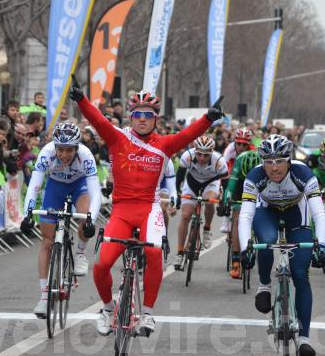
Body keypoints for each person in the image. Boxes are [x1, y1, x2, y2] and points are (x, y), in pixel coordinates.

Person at [70, 80, 221, 335]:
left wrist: (208, 118)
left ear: (155, 119)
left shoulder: (164, 144)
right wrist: (81, 99)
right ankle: (108, 308)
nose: (142, 119)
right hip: (121, 211)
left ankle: (148, 313)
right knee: (102, 264)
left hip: (149, 209)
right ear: (131, 117)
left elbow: (187, 136)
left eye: (147, 115)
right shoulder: (117, 137)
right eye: (137, 115)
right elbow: (99, 122)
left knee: (153, 253)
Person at [237, 135, 325, 356]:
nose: (274, 167)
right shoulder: (255, 177)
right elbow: (246, 215)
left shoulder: (303, 174)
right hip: (266, 210)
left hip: (297, 213)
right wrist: (244, 248)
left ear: (289, 160)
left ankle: (304, 340)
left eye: (279, 161)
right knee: (265, 239)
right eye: (268, 162)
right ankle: (264, 285)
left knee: (300, 274)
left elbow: (318, 213)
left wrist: (322, 244)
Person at [21, 123, 101, 316]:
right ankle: (44, 296)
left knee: (84, 214)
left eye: (69, 150)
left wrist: (91, 219)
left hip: (79, 186)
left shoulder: (86, 156)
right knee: (47, 242)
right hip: (55, 187)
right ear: (54, 147)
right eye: (61, 150)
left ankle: (80, 253)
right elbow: (34, 185)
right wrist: (28, 214)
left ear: (77, 148)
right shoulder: (46, 153)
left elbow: (95, 191)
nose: (64, 155)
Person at [172, 136, 228, 268]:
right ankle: (180, 253)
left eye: (206, 155)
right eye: (199, 154)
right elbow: (179, 178)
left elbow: (226, 186)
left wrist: (223, 202)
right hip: (192, 183)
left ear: (212, 153)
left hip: (211, 183)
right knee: (185, 216)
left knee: (209, 202)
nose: (202, 158)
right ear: (194, 150)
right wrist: (178, 195)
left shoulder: (219, 161)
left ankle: (207, 228)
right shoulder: (187, 156)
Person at [224, 148, 261, 278]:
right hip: (240, 185)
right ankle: (235, 259)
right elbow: (230, 186)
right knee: (237, 218)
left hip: (259, 184)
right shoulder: (240, 161)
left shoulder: (264, 165)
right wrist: (226, 202)